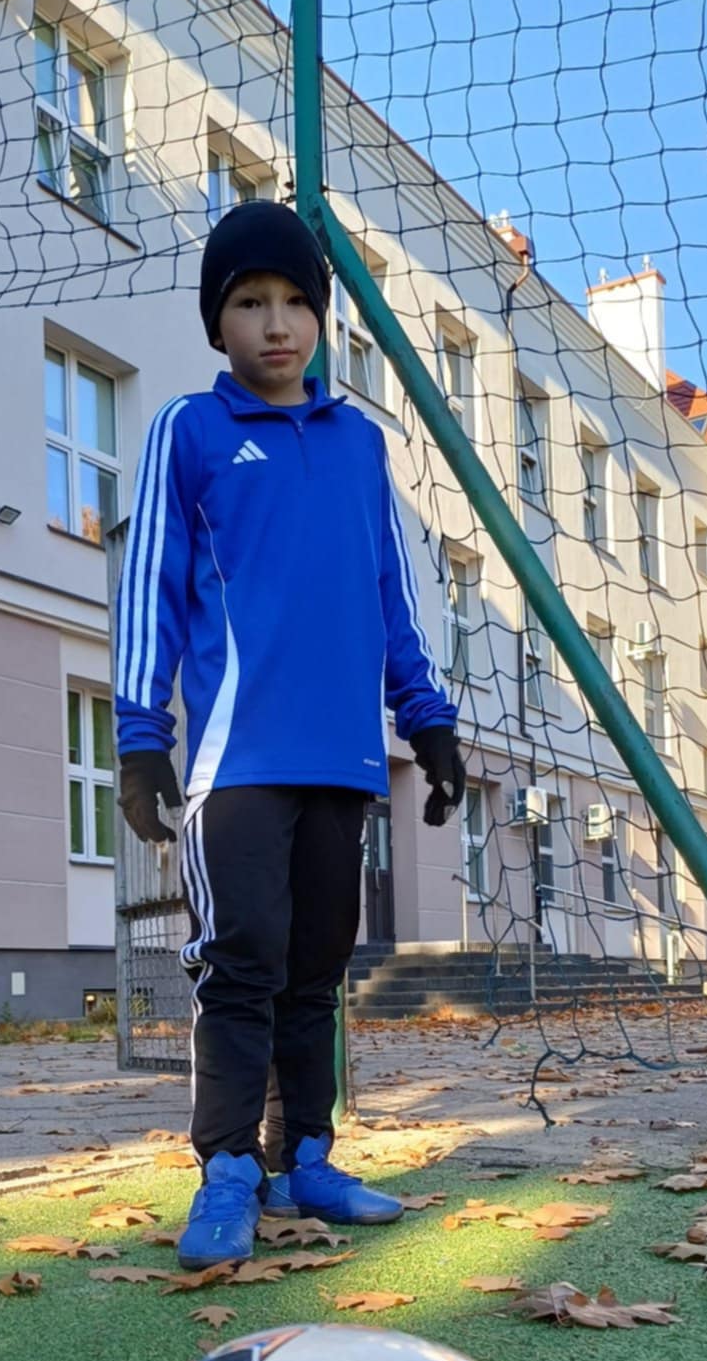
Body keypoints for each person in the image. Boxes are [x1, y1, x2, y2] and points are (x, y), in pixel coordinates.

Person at [115, 201, 465, 1269]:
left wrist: (427, 719)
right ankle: (228, 1168)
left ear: (321, 318)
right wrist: (140, 733)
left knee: (318, 969)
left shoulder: (361, 445)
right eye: (249, 303)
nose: (276, 324)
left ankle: (306, 1155)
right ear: (217, 322)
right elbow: (151, 585)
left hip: (343, 759)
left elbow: (390, 593)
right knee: (242, 963)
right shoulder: (190, 430)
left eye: (295, 303)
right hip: (237, 759)